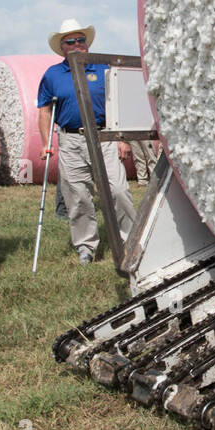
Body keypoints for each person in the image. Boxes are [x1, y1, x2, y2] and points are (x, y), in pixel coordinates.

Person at [36, 19, 137, 264]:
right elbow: (44, 111)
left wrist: (123, 139)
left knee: (118, 190)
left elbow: (119, 103)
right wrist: (44, 142)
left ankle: (132, 240)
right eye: (70, 41)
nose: (77, 44)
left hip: (104, 136)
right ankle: (86, 246)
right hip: (70, 139)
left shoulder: (103, 69)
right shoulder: (52, 75)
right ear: (62, 48)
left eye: (81, 40)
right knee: (78, 195)